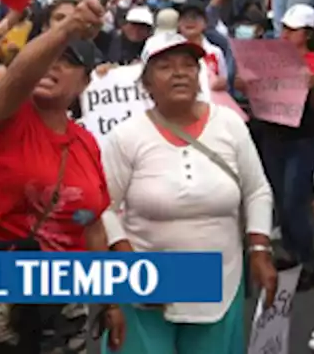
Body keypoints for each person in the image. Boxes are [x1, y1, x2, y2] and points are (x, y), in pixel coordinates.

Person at [0, 0, 113, 354]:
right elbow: (17, 77)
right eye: (48, 57)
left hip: (59, 300)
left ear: (84, 83)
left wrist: (110, 300)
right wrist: (65, 30)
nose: (52, 66)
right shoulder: (1, 114)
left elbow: (92, 222)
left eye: (68, 62)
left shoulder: (86, 143)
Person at [100, 32, 275, 354]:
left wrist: (260, 247)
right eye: (165, 66)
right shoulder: (126, 136)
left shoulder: (230, 125)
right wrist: (129, 262)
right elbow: (104, 207)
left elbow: (257, 190)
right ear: (147, 84)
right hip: (147, 282)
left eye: (188, 65)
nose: (179, 72)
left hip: (219, 277)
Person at [248, 4, 314, 290]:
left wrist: (311, 88)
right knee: (280, 199)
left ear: (307, 34)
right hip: (274, 135)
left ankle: (310, 262)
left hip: (302, 138)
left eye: (293, 30)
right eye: (284, 28)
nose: (285, 34)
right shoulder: (270, 58)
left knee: (295, 200)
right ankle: (292, 252)